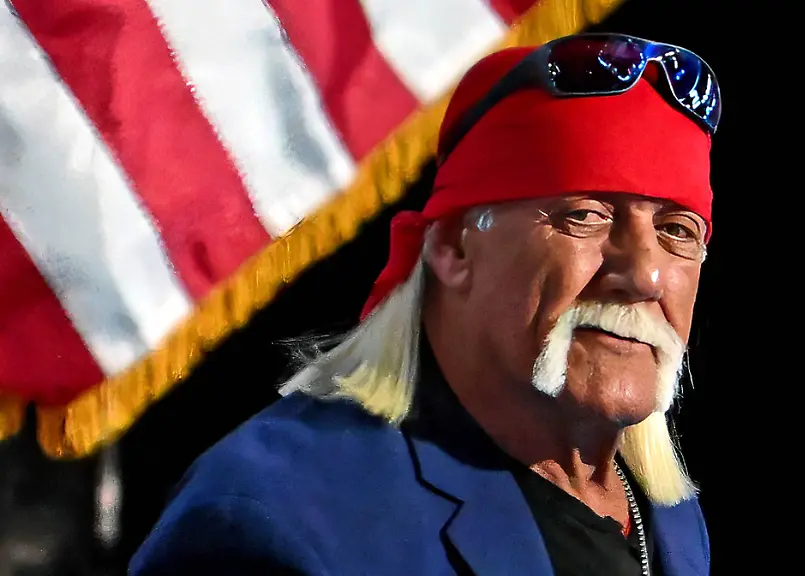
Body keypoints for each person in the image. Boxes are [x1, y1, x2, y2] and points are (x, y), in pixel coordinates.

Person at [129, 32, 721, 576]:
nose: (644, 274)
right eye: (585, 216)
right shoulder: (275, 518)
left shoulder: (663, 513)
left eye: (678, 231)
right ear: (454, 248)